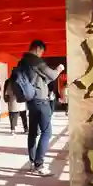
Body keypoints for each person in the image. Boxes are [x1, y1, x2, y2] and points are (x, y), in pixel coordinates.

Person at [18, 40, 65, 176]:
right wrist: (59, 69)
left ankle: (32, 162)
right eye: (42, 51)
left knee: (33, 132)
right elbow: (52, 75)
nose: (42, 54)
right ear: (38, 49)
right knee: (47, 132)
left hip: (31, 101)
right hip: (41, 101)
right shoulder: (36, 61)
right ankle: (39, 164)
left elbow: (42, 81)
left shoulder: (23, 62)